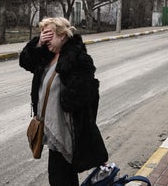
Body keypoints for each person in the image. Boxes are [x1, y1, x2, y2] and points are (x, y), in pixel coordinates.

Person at [20, 17, 108, 186]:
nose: (46, 39)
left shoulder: (77, 59)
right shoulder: (47, 55)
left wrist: (68, 91)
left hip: (67, 131)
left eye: (49, 35)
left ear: (63, 35)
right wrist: (38, 43)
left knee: (61, 179)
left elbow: (85, 97)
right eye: (43, 34)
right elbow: (25, 61)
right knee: (60, 178)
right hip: (53, 130)